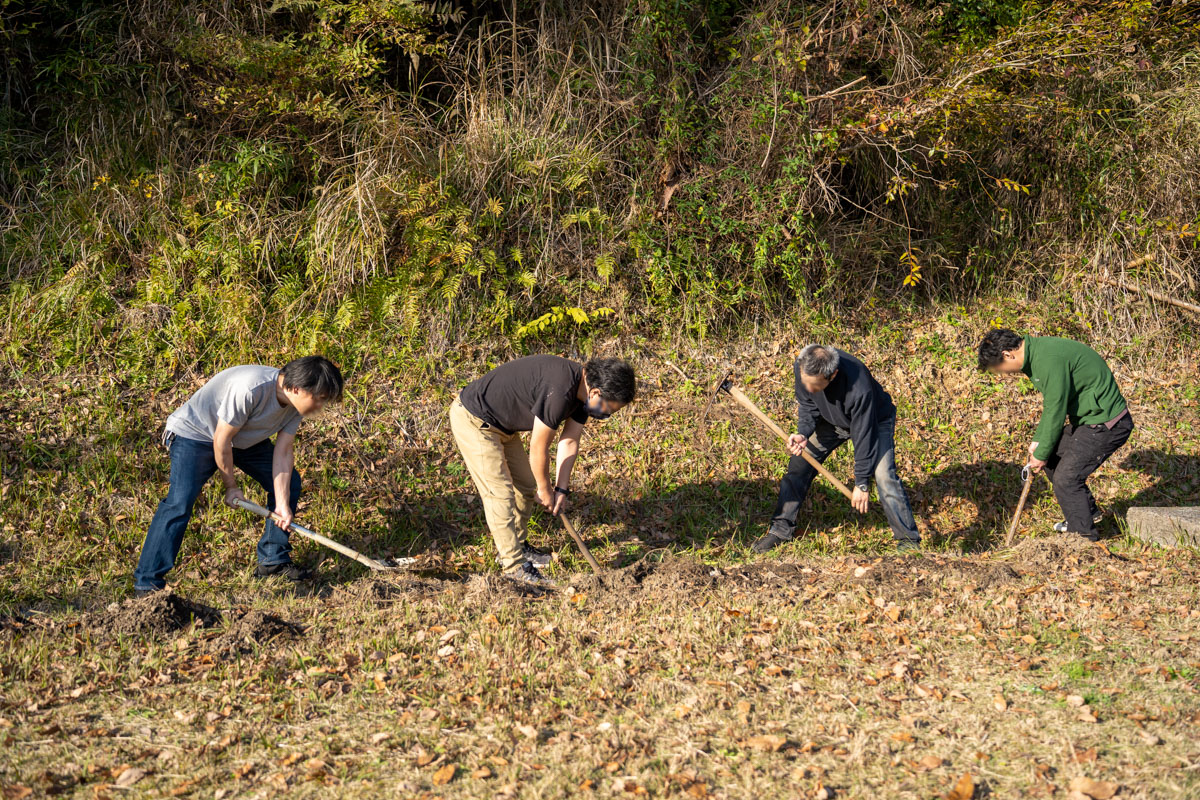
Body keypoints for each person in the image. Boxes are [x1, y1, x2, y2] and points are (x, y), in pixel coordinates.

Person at [133, 356, 344, 595]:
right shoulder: (250, 388)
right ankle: (147, 582)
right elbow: (221, 439)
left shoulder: (296, 405)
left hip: (243, 440)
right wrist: (230, 486)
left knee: (290, 483)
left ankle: (272, 560)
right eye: (320, 399)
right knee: (179, 503)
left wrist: (283, 506)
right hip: (196, 434)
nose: (320, 407)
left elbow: (283, 453)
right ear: (297, 388)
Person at [450, 355, 636, 586]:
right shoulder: (560, 390)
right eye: (608, 409)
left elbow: (569, 441)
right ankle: (513, 566)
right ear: (596, 393)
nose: (606, 415)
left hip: (503, 428)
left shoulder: (582, 395)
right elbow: (538, 446)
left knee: (526, 487)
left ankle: (517, 544)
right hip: (475, 420)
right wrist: (545, 488)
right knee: (500, 493)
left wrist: (561, 489)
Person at [753, 344, 921, 553]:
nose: (809, 389)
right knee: (799, 466)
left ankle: (908, 541)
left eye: (815, 386)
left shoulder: (859, 387)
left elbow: (863, 435)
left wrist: (861, 483)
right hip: (831, 423)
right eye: (806, 383)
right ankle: (780, 530)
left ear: (833, 375)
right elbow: (807, 405)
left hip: (874, 422)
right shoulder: (803, 367)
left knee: (884, 476)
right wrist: (803, 433)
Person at [977, 329, 1132, 541]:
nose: (1004, 373)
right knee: (1051, 458)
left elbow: (1056, 408)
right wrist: (1039, 444)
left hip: (1107, 423)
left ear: (1007, 354)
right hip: (1089, 421)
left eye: (1000, 368)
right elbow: (1052, 404)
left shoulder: (1047, 359)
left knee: (1066, 478)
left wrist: (1040, 452)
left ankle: (1083, 538)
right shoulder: (1038, 355)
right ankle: (1086, 513)